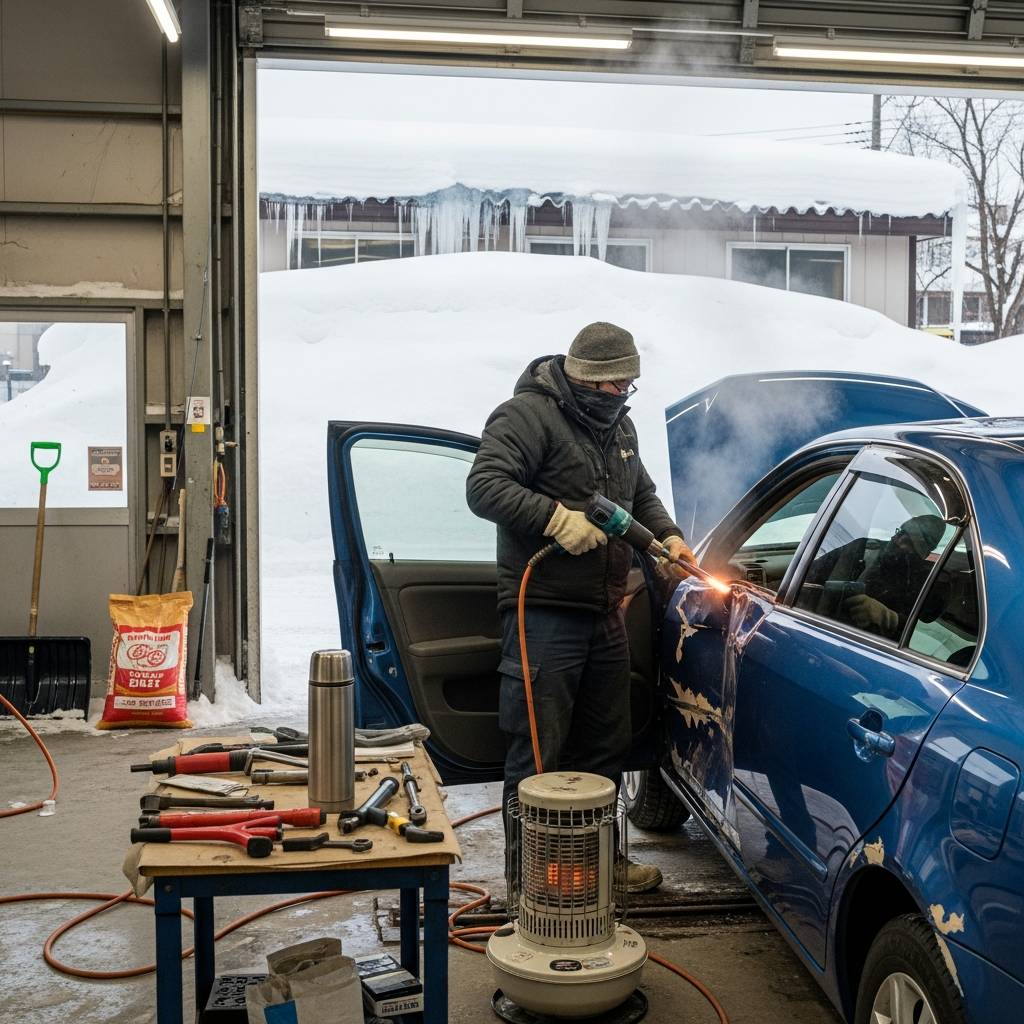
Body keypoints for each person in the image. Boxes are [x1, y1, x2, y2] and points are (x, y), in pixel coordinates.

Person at [466, 322, 693, 893]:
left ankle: (600, 864)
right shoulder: (527, 415)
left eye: (629, 386)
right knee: (538, 752)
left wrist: (667, 536)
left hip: (604, 611)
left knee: (605, 746)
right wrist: (554, 518)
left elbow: (640, 497)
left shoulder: (620, 426)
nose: (622, 394)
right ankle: (529, 882)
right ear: (587, 377)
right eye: (615, 385)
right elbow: (484, 486)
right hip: (542, 612)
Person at [800, 513, 947, 639]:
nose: (896, 540)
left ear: (923, 553)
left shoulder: (927, 583)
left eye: (908, 541)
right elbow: (809, 575)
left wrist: (888, 617)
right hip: (823, 624)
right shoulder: (861, 548)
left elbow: (926, 633)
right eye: (900, 532)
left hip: (873, 646)